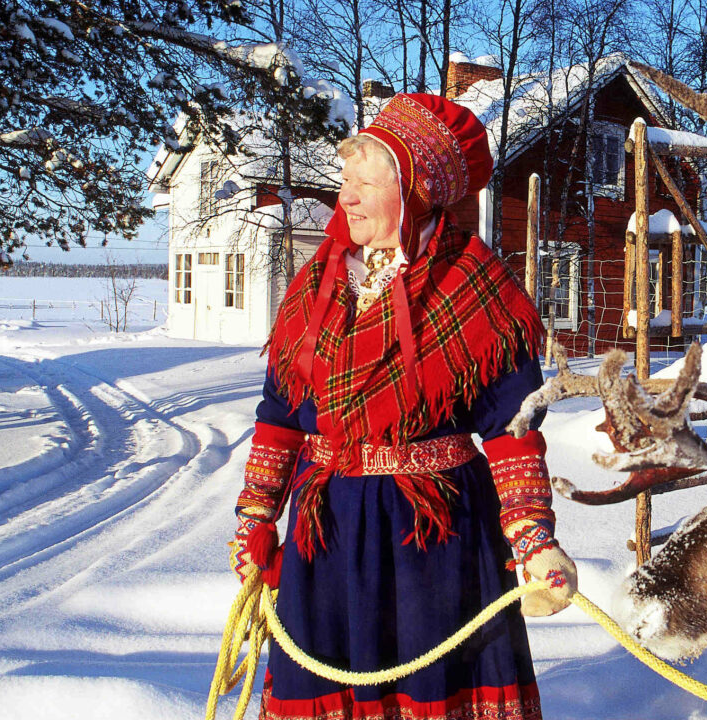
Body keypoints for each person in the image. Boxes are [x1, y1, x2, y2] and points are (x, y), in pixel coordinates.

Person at [231, 92, 577, 720]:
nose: (347, 197)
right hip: (326, 537)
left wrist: (533, 541)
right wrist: (257, 517)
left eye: (366, 180)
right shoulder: (316, 284)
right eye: (346, 180)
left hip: (436, 542)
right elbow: (280, 413)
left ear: (415, 187)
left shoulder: (476, 288)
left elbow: (513, 430)